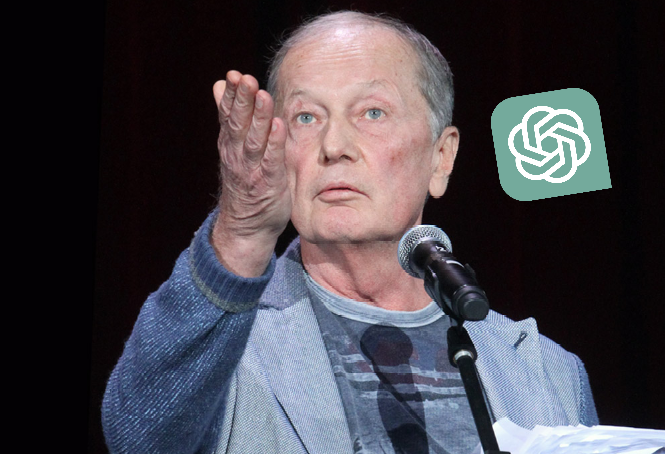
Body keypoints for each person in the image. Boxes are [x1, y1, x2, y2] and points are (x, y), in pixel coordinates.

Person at [102, 11, 598, 454]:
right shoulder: (220, 348)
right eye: (306, 117)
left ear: (441, 158)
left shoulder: (546, 373)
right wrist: (242, 234)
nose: (334, 145)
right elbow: (137, 437)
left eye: (372, 113)